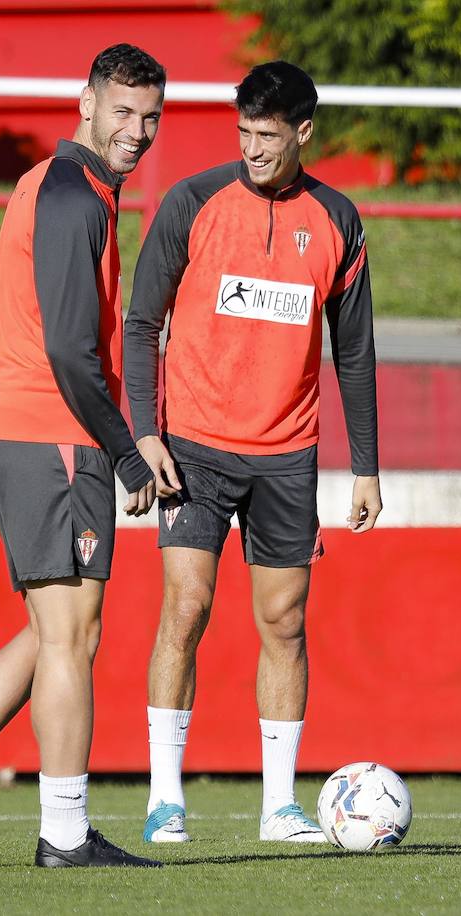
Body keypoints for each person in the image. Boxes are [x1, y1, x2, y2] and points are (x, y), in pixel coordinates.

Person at [0, 43, 173, 869]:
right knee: (72, 639)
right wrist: (125, 453)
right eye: (122, 111)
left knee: (51, 632)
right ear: (85, 103)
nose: (137, 130)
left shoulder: (75, 190)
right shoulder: (70, 195)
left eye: (151, 116)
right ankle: (63, 832)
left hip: (24, 431)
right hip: (50, 432)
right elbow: (68, 350)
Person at [124, 60, 380, 845]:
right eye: (243, 134)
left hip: (286, 456)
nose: (252, 149)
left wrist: (366, 465)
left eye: (267, 136)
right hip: (193, 447)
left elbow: (356, 354)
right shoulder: (192, 201)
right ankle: (165, 796)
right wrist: (143, 434)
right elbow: (140, 323)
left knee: (285, 623)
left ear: (303, 132)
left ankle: (279, 807)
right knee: (187, 607)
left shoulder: (338, 219)